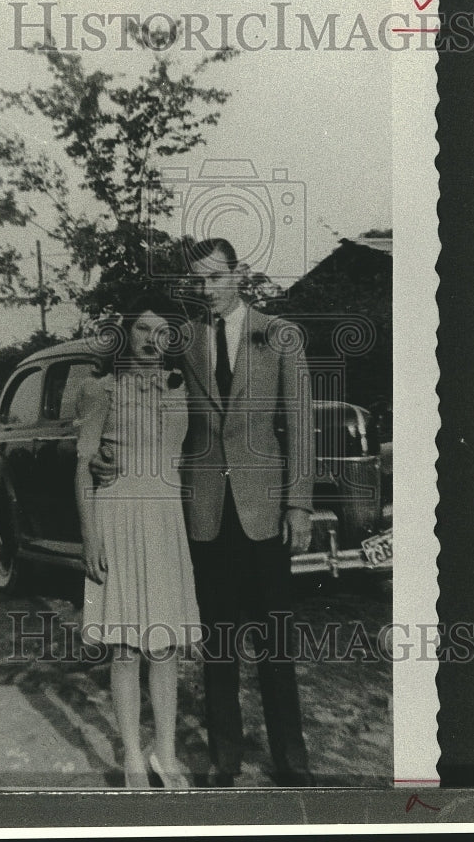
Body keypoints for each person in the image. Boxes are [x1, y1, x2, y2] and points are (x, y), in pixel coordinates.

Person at [92, 239, 315, 787]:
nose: (207, 288)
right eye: (197, 281)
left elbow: (301, 426)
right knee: (217, 643)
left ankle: (291, 760)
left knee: (276, 641)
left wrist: (299, 505)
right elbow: (129, 392)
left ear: (238, 275)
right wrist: (104, 456)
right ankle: (224, 759)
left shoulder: (279, 335)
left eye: (216, 277)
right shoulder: (183, 340)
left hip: (264, 510)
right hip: (203, 513)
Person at [74, 292, 201, 790]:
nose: (153, 340)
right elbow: (83, 466)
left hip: (167, 522)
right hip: (118, 519)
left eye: (162, 331)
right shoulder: (98, 388)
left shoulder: (180, 386)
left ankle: (164, 756)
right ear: (126, 332)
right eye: (143, 329)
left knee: (165, 645)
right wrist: (89, 537)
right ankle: (131, 755)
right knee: (125, 647)